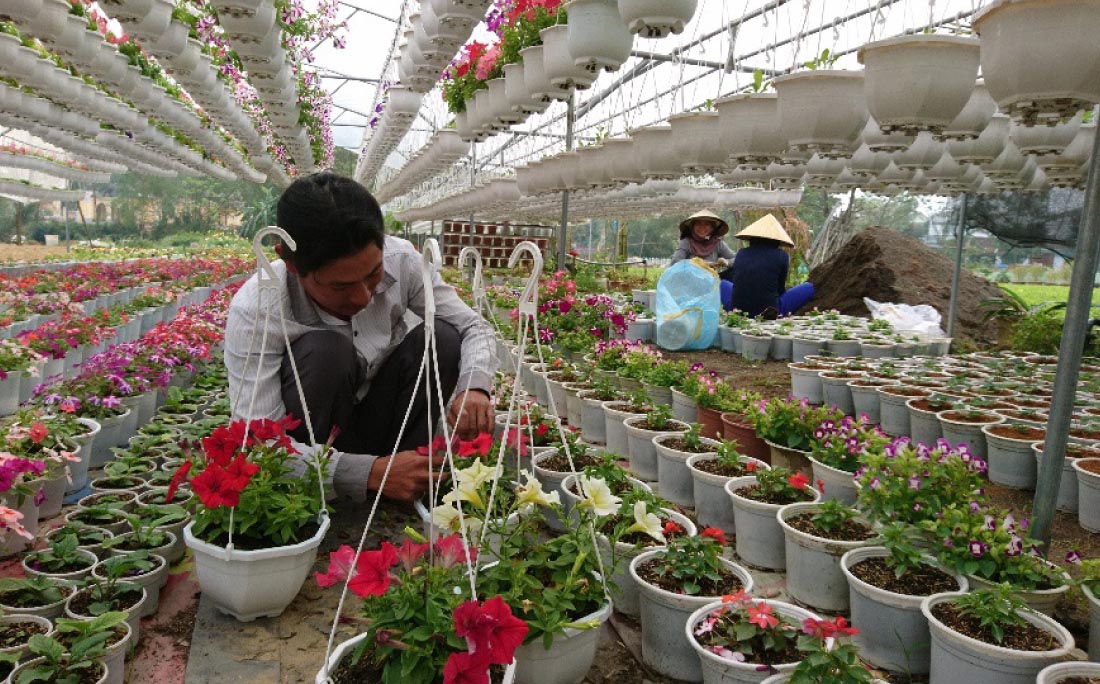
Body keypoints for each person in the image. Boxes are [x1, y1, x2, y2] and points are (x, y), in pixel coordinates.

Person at [224, 172, 498, 504]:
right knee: (326, 350)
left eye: (373, 275)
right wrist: (365, 473)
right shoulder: (257, 309)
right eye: (340, 286)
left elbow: (474, 327)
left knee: (441, 337)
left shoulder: (404, 262)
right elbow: (257, 439)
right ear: (290, 262)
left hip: (385, 426)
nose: (363, 297)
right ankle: (321, 494)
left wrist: (475, 388)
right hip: (312, 443)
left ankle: (411, 478)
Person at [726, 213, 815, 317]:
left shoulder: (741, 253)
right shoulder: (782, 256)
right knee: (809, 287)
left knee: (722, 283)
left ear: (752, 238)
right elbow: (780, 289)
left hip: (738, 309)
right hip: (770, 310)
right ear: (776, 240)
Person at [670, 209, 736, 272]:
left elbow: (736, 259)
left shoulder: (718, 243)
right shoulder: (686, 242)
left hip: (712, 280)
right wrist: (702, 264)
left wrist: (726, 262)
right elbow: (675, 262)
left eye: (706, 224)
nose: (702, 227)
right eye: (698, 224)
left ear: (712, 228)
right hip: (689, 280)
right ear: (692, 227)